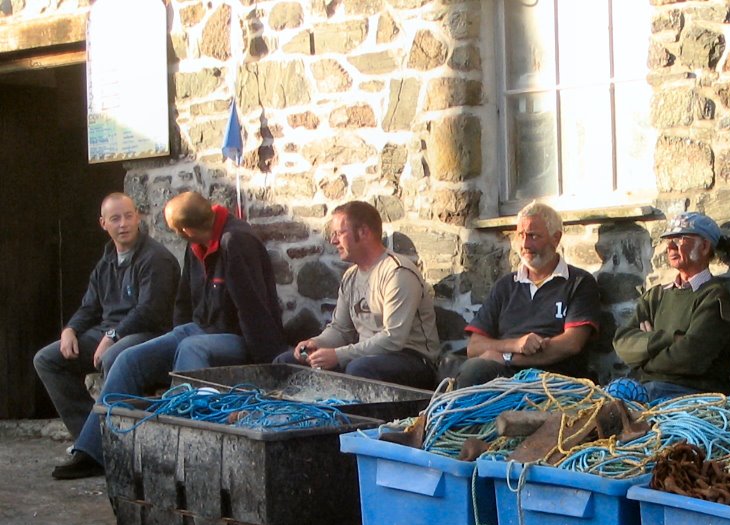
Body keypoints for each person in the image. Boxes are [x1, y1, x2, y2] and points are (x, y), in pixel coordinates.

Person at [52, 191, 288, 480]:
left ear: (185, 230)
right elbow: (184, 301)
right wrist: (177, 330)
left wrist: (268, 362)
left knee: (191, 348)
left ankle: (185, 452)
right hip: (198, 328)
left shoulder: (236, 242)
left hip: (237, 336)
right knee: (128, 358)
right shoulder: (195, 245)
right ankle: (94, 451)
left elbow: (253, 308)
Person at [34, 193, 180, 442]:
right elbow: (89, 307)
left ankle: (120, 440)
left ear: (138, 217)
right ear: (103, 224)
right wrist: (69, 329)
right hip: (108, 333)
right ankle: (91, 440)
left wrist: (113, 336)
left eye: (128, 216)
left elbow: (150, 311)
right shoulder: (106, 261)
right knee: (47, 359)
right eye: (115, 218)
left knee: (114, 355)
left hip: (149, 335)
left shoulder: (156, 258)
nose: (123, 224)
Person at [278, 201, 440, 389]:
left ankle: (363, 419)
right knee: (286, 361)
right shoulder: (350, 277)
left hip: (413, 359)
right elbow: (340, 330)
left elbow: (394, 339)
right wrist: (315, 344)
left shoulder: (398, 272)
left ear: (363, 232)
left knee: (359, 370)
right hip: (365, 356)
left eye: (339, 233)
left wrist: (338, 355)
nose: (333, 241)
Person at [455, 201, 600, 388]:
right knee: (465, 370)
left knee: (474, 372)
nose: (525, 244)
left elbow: (571, 344)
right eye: (521, 235)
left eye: (533, 236)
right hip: (504, 376)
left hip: (554, 379)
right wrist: (514, 345)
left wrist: (507, 358)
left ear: (555, 239)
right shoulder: (506, 286)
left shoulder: (579, 282)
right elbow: (475, 347)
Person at [613, 212, 730, 400]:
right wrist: (668, 339)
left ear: (704, 246)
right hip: (648, 387)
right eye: (668, 240)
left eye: (680, 239)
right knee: (606, 400)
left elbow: (692, 356)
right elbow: (622, 342)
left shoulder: (714, 296)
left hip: (687, 392)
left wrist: (644, 360)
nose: (670, 246)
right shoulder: (656, 295)